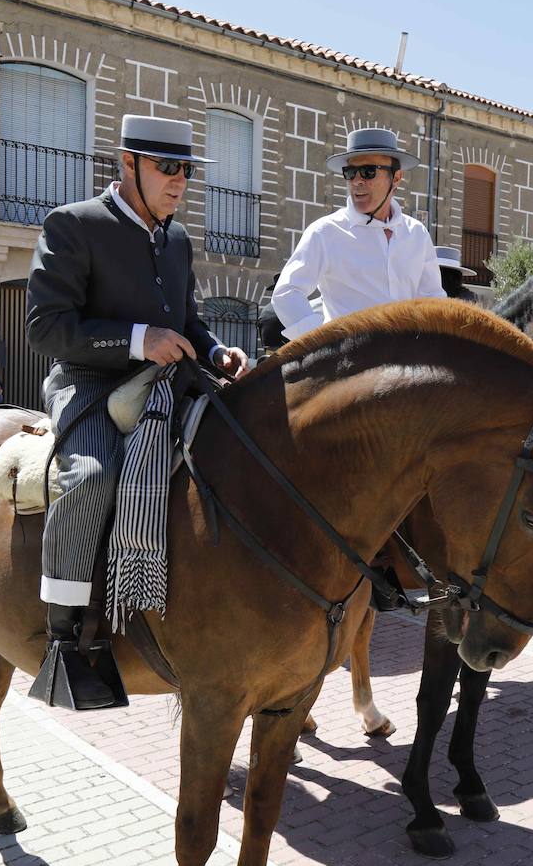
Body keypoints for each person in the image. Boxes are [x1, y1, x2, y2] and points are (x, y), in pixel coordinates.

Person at [25, 114, 248, 710]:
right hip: (89, 385)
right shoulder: (73, 224)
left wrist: (215, 349)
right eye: (167, 169)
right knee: (93, 480)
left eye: (187, 171)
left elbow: (187, 319)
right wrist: (136, 340)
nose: (180, 182)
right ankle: (65, 639)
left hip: (169, 383)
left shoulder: (176, 239)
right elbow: (46, 329)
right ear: (129, 165)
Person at [272, 127, 443, 339]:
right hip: (349, 367)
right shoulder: (324, 232)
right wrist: (326, 343)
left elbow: (433, 301)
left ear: (396, 178)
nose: (357, 181)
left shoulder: (417, 234)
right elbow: (286, 294)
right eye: (351, 173)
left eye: (368, 172)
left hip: (405, 363)